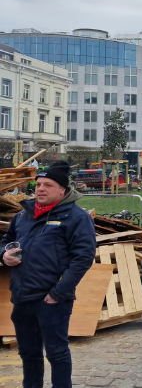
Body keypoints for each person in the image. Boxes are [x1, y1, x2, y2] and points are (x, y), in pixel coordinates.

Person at [0, 161, 96, 388]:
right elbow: (5, 243)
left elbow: (83, 258)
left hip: (51, 299)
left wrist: (58, 293)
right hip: (22, 297)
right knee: (29, 354)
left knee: (57, 353)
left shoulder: (76, 217)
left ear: (62, 190)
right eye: (38, 184)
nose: (40, 189)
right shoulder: (23, 215)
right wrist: (4, 255)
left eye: (48, 185)